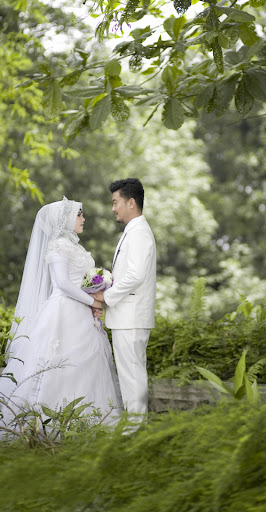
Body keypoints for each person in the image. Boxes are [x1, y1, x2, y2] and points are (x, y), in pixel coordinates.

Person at [0, 197, 122, 438]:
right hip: (63, 313)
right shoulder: (57, 246)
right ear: (64, 220)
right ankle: (43, 428)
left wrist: (97, 293)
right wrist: (92, 301)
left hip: (83, 314)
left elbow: (80, 281)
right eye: (79, 214)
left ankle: (90, 423)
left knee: (88, 368)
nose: (83, 219)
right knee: (57, 366)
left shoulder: (76, 247)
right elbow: (62, 284)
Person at [92, 178, 156, 425]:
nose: (113, 208)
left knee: (132, 377)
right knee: (131, 376)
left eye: (115, 202)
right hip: (127, 318)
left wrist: (105, 297)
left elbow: (136, 275)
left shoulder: (139, 232)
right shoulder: (134, 230)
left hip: (130, 319)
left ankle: (134, 433)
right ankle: (134, 431)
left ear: (131, 202)